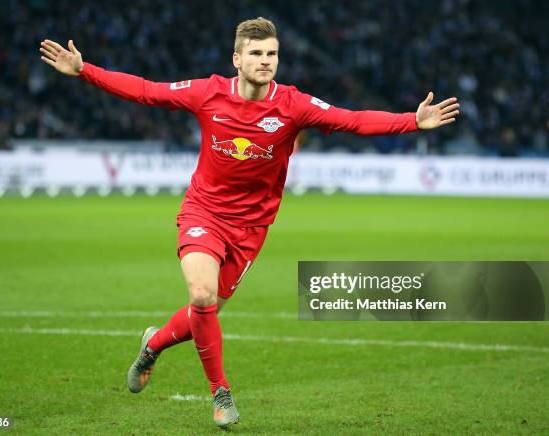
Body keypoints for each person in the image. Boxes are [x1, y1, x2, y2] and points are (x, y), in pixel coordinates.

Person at [39, 17, 459, 428]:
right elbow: (148, 91)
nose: (265, 60)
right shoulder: (208, 93)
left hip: (251, 229)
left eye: (272, 53)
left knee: (204, 312)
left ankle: (153, 344)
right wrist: (86, 72)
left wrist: (411, 121)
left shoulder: (293, 104)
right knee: (202, 296)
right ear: (236, 59)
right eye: (256, 53)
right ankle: (220, 394)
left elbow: (351, 119)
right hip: (204, 212)